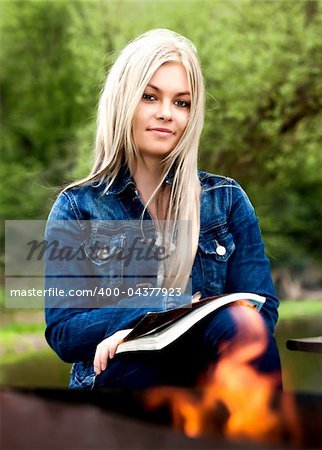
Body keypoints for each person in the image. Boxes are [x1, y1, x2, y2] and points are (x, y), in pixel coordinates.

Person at [45, 29, 282, 390]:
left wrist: (184, 321)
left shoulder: (226, 199)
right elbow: (64, 332)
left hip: (214, 377)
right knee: (145, 368)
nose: (166, 114)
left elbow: (261, 309)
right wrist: (138, 325)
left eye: (181, 102)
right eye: (150, 97)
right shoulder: (79, 208)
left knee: (243, 326)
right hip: (124, 382)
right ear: (124, 100)